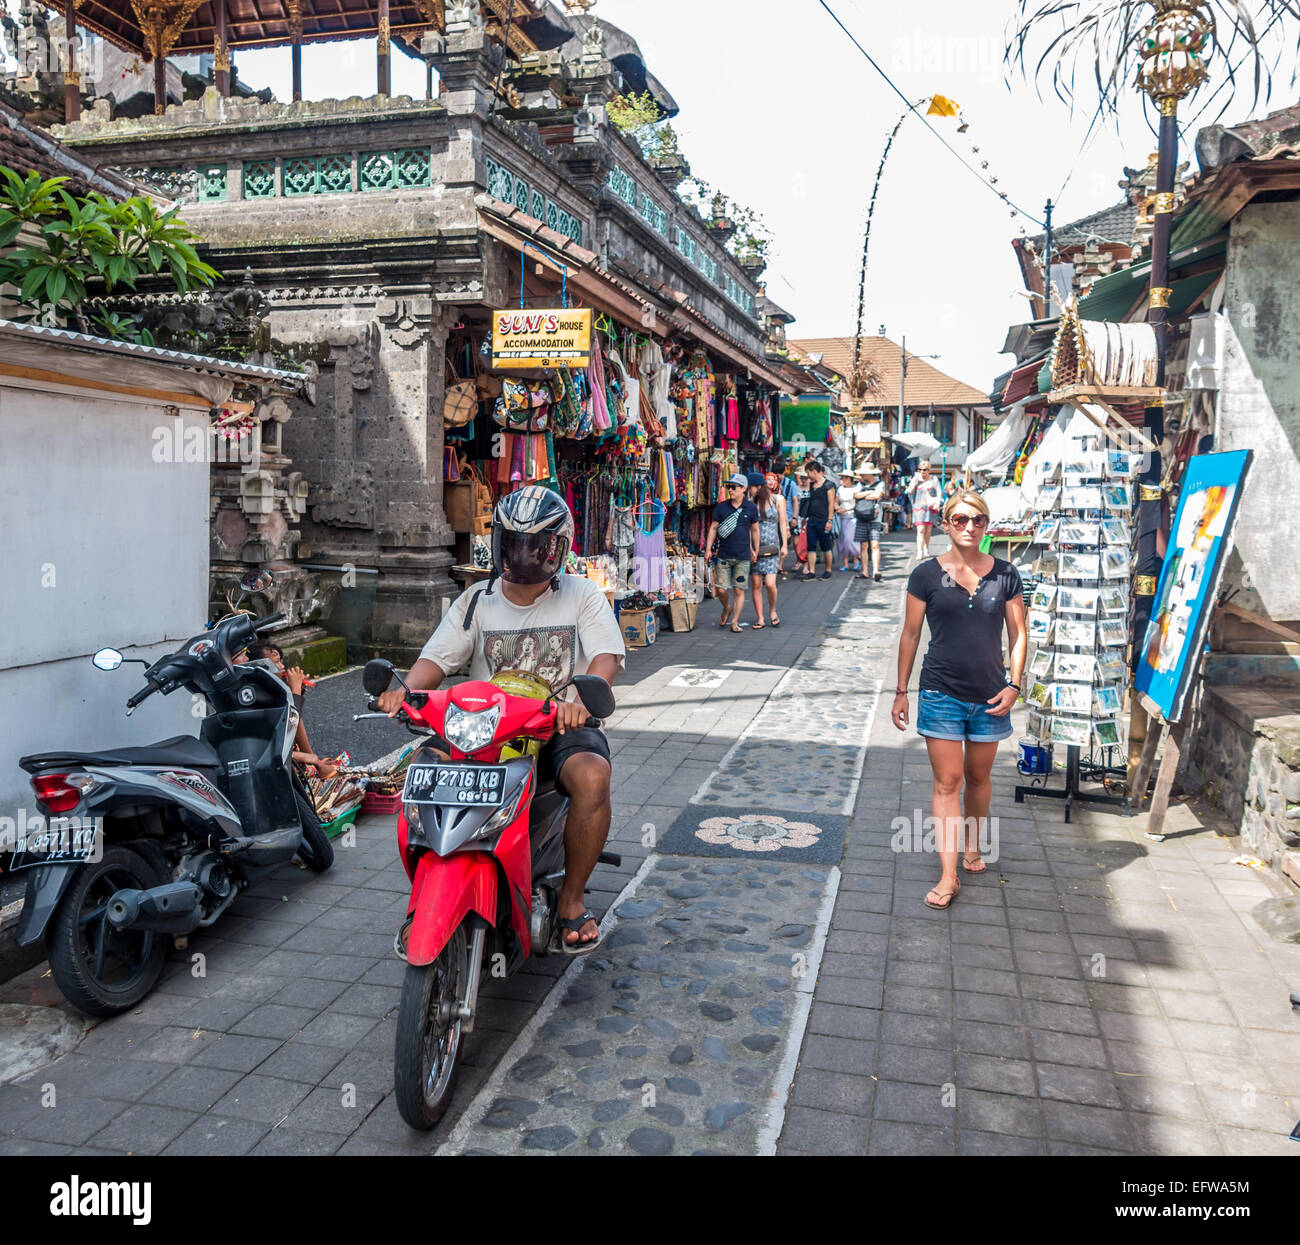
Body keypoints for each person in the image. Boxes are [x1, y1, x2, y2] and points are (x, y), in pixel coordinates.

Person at [377, 485, 625, 954]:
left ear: (558, 547)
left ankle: (571, 903)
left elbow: (605, 659)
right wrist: (404, 692)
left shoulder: (582, 595)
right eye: (515, 543)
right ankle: (424, 900)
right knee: (422, 771)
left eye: (537, 544)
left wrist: (582, 699)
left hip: (557, 726)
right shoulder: (476, 600)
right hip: (482, 729)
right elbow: (434, 660)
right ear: (500, 543)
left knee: (593, 777)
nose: (525, 554)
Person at [891, 490, 1026, 911]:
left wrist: (1015, 684)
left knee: (980, 778)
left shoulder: (1005, 574)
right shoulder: (925, 575)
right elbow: (911, 634)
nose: (970, 526)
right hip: (940, 692)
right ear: (946, 523)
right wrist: (901, 691)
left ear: (988, 525)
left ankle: (972, 848)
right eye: (961, 519)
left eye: (979, 520)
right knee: (947, 782)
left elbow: (1018, 634)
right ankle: (949, 875)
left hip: (991, 695)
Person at [246, 640, 337, 780]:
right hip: (265, 757)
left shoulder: (274, 689)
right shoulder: (256, 695)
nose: (282, 666)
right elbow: (290, 723)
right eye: (276, 662)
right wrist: (295, 691)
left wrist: (312, 757)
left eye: (281, 661)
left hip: (280, 750)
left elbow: (295, 720)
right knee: (305, 770)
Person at [706, 472, 760, 633]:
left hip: (743, 556)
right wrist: (708, 549)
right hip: (723, 554)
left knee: (739, 589)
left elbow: (755, 530)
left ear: (743, 488)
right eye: (729, 487)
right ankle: (727, 607)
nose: (730, 490)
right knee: (721, 589)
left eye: (733, 487)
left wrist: (755, 550)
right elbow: (713, 528)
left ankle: (735, 621)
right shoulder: (721, 507)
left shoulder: (750, 507)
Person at [749, 474, 789, 628]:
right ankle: (760, 617)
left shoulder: (777, 500)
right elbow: (749, 528)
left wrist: (785, 545)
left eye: (751, 487)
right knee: (756, 584)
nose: (750, 491)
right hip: (756, 549)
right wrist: (750, 548)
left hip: (773, 547)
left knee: (771, 584)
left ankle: (772, 611)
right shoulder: (751, 504)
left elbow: (782, 523)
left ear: (758, 487)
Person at [802, 459, 836, 581]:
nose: (807, 476)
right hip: (812, 520)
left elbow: (831, 503)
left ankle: (828, 570)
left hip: (824, 520)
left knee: (825, 546)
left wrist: (830, 520)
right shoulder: (812, 485)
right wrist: (805, 517)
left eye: (808, 473)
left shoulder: (829, 485)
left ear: (814, 471)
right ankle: (811, 571)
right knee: (811, 546)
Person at [853, 463, 886, 582]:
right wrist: (869, 493)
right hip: (861, 517)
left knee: (875, 544)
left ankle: (876, 570)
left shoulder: (880, 483)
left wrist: (863, 495)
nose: (861, 475)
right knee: (863, 546)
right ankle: (865, 571)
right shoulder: (859, 484)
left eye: (863, 473)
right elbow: (855, 495)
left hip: (875, 518)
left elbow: (878, 495)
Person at [906, 460, 944, 560]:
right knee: (921, 530)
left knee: (928, 530)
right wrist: (914, 480)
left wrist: (938, 503)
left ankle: (926, 548)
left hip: (930, 507)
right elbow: (909, 491)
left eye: (924, 470)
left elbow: (939, 492)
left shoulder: (934, 479)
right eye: (920, 470)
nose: (922, 472)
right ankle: (919, 551)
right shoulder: (916, 479)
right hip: (919, 507)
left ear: (928, 470)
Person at [835, 470, 860, 572]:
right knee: (842, 541)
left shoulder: (857, 488)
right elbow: (835, 501)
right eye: (842, 478)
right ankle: (845, 563)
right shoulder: (840, 489)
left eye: (844, 477)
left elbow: (857, 504)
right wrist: (837, 508)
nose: (842, 480)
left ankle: (855, 559)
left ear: (850, 479)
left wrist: (845, 509)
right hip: (841, 517)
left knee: (850, 539)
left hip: (852, 517)